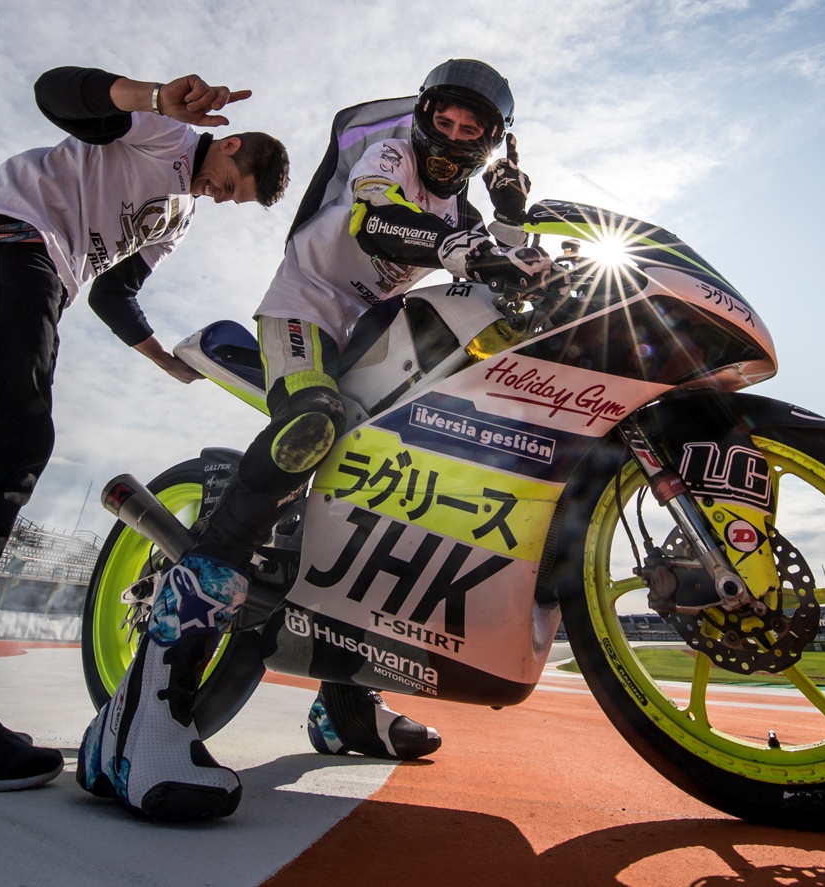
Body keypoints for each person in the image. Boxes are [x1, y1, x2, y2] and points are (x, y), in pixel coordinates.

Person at [78, 58, 549, 822]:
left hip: (371, 331)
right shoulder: (389, 154)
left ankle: (346, 710)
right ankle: (137, 715)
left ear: (489, 145)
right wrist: (466, 247)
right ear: (427, 115)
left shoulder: (463, 209)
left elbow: (500, 277)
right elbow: (377, 217)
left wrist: (513, 217)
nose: (454, 136)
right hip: (303, 310)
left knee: (397, 476)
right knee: (308, 428)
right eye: (448, 119)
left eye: (474, 131)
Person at [0, 66, 289, 793]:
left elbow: (114, 292)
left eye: (235, 202)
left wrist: (166, 362)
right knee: (4, 446)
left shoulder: (177, 218)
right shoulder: (167, 131)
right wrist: (151, 95)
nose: (222, 198)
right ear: (229, 146)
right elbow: (58, 94)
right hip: (1, 237)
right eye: (232, 186)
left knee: (6, 445)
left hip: (28, 266)